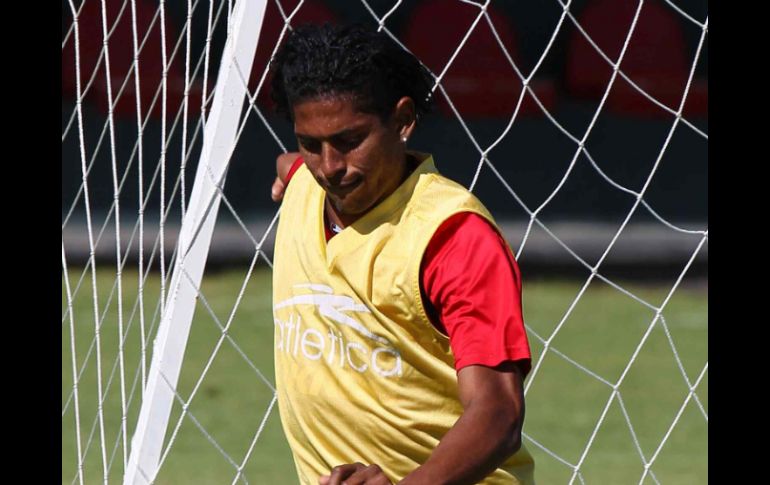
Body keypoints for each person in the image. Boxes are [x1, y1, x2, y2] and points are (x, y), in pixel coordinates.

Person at [269, 23, 535, 485]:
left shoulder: (454, 237)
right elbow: (292, 167)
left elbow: (498, 413)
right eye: (311, 144)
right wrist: (290, 166)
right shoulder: (303, 184)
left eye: (350, 141)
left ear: (403, 119)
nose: (330, 167)